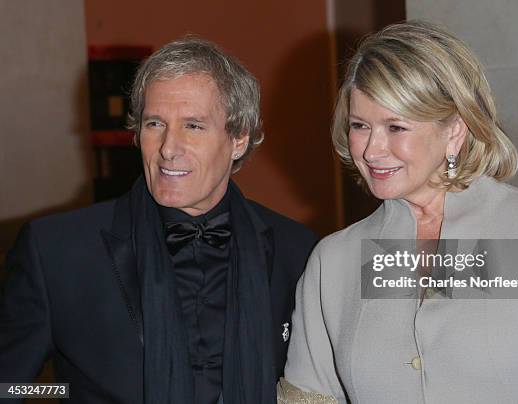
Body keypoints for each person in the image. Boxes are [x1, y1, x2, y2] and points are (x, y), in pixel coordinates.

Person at [281, 20, 518, 403]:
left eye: (395, 127)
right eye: (360, 126)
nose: (371, 150)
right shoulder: (334, 262)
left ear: (454, 130)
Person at [0, 38, 317, 404]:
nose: (168, 147)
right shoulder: (56, 250)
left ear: (239, 139)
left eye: (193, 126)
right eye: (154, 123)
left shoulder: (298, 252)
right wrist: (64, 395)